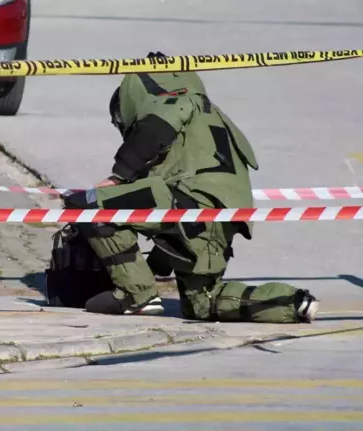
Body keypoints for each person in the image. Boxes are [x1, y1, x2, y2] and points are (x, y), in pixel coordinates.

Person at [62, 59, 319, 323]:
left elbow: (154, 133)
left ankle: (135, 295)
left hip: (188, 202)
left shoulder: (175, 102)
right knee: (203, 304)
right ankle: (293, 302)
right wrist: (155, 263)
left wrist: (118, 177)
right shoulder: (212, 117)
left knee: (87, 203)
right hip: (219, 220)